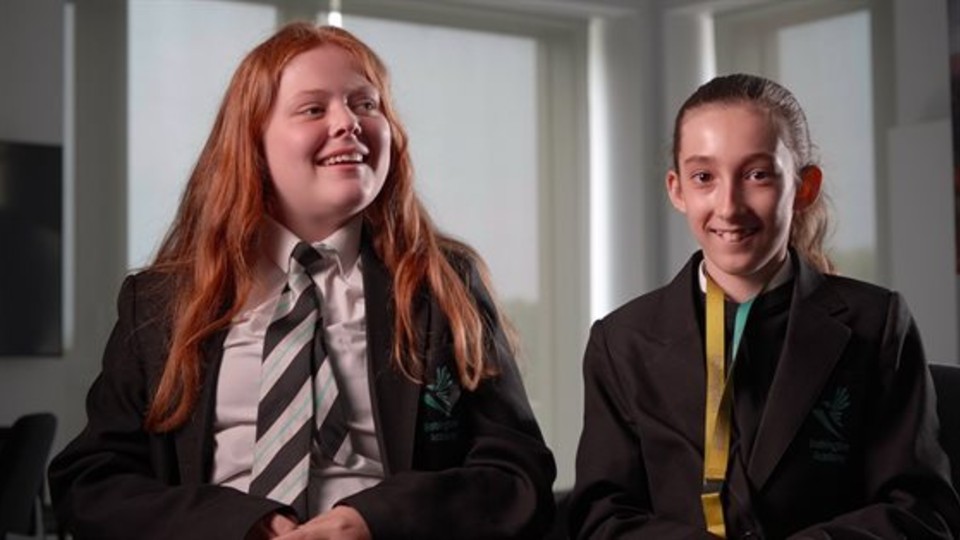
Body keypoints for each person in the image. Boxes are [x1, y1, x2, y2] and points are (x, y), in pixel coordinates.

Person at [48, 22, 555, 540]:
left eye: (365, 104)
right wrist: (238, 524)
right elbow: (90, 484)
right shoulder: (161, 302)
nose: (349, 123)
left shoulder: (443, 284)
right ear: (252, 141)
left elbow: (518, 475)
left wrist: (377, 520)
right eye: (313, 109)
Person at [568, 73, 960, 539]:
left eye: (757, 175)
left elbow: (920, 509)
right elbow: (601, 516)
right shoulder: (620, 342)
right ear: (677, 190)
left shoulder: (877, 324)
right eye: (704, 178)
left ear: (804, 187)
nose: (729, 206)